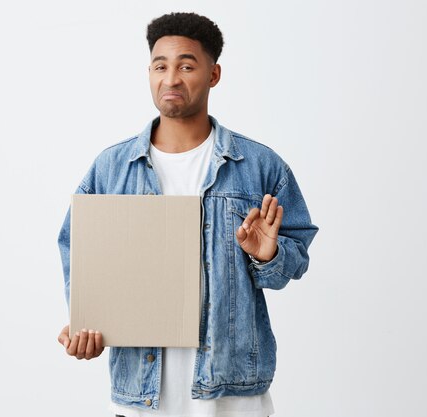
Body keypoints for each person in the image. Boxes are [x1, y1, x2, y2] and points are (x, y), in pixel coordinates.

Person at [57, 12, 319, 417]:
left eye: (186, 65)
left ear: (213, 75)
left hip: (235, 399)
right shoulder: (110, 168)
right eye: (161, 66)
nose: (171, 78)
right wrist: (86, 322)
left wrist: (267, 256)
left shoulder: (260, 166)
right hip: (141, 400)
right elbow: (79, 251)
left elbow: (294, 258)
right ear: (148, 72)